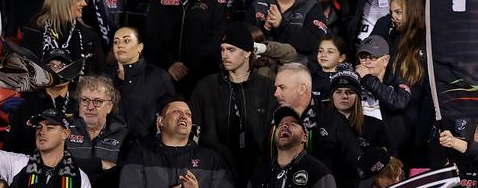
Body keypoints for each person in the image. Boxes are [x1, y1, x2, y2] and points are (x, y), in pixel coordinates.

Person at [189, 23, 276, 185]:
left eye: (231, 50)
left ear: (247, 52)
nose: (224, 55)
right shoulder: (206, 86)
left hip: (257, 173)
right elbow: (193, 130)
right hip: (213, 172)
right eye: (222, 49)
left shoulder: (268, 88)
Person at [271, 62, 361, 186]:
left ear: (302, 89)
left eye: (282, 87)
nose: (276, 93)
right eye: (276, 88)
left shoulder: (334, 121)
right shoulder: (272, 117)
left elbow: (353, 169)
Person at [119, 96, 234, 188]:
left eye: (188, 114)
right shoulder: (140, 156)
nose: (184, 116)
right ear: (160, 121)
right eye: (176, 112)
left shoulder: (211, 159)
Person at [0, 103, 90, 186]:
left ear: (65, 134)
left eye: (50, 127)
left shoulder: (81, 178)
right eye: (39, 127)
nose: (42, 131)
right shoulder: (18, 163)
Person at [110, 25, 176, 139]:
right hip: (110, 147)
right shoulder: (106, 77)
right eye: (116, 42)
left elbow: (170, 112)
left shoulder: (158, 76)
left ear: (140, 47)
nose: (120, 45)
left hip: (146, 147)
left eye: (126, 41)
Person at [67, 74, 130, 188]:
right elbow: (55, 163)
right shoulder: (64, 129)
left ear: (109, 106)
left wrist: (79, 163)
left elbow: (125, 173)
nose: (90, 107)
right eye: (85, 100)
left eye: (98, 101)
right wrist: (100, 164)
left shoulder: (125, 136)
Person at [253, 105, 337, 188]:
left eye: (292, 124)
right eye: (280, 124)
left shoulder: (318, 173)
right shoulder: (261, 172)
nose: (284, 126)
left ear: (304, 137)